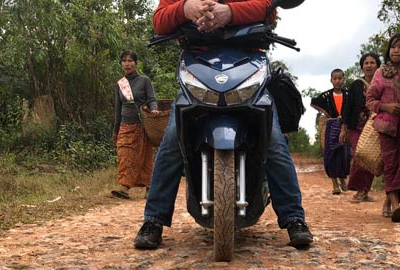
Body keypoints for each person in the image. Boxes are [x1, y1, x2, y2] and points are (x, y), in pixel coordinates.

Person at [135, 0, 313, 250]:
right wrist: (185, 8)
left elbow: (269, 8)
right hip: (197, 63)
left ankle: (294, 217)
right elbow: (159, 20)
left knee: (274, 142)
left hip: (249, 62)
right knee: (172, 141)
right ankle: (153, 219)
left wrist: (229, 12)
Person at [366, 34, 400, 222]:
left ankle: (388, 202)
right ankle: (396, 205)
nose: (395, 51)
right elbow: (370, 100)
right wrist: (386, 107)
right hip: (386, 126)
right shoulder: (381, 73)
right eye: (393, 47)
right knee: (391, 163)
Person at [112, 50, 159, 200]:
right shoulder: (120, 84)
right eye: (124, 61)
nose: (127, 64)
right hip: (125, 126)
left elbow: (152, 99)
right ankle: (124, 187)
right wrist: (116, 130)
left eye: (130, 61)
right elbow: (118, 109)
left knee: (145, 157)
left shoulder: (144, 81)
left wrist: (154, 109)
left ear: (136, 63)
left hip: (142, 126)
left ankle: (149, 188)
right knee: (124, 155)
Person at [340, 52, 381, 203]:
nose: (369, 65)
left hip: (374, 126)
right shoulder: (356, 85)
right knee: (360, 155)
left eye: (372, 62)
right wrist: (343, 128)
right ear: (362, 67)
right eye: (366, 63)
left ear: (378, 65)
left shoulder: (382, 83)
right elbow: (347, 107)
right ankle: (359, 189)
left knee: (370, 158)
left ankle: (365, 190)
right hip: (356, 127)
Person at [311, 69, 350, 195]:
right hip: (331, 125)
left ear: (343, 79)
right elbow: (313, 102)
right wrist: (325, 112)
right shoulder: (326, 95)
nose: (337, 81)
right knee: (331, 154)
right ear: (331, 80)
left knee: (344, 154)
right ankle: (335, 184)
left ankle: (343, 179)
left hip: (345, 126)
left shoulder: (348, 94)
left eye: (340, 78)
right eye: (335, 79)